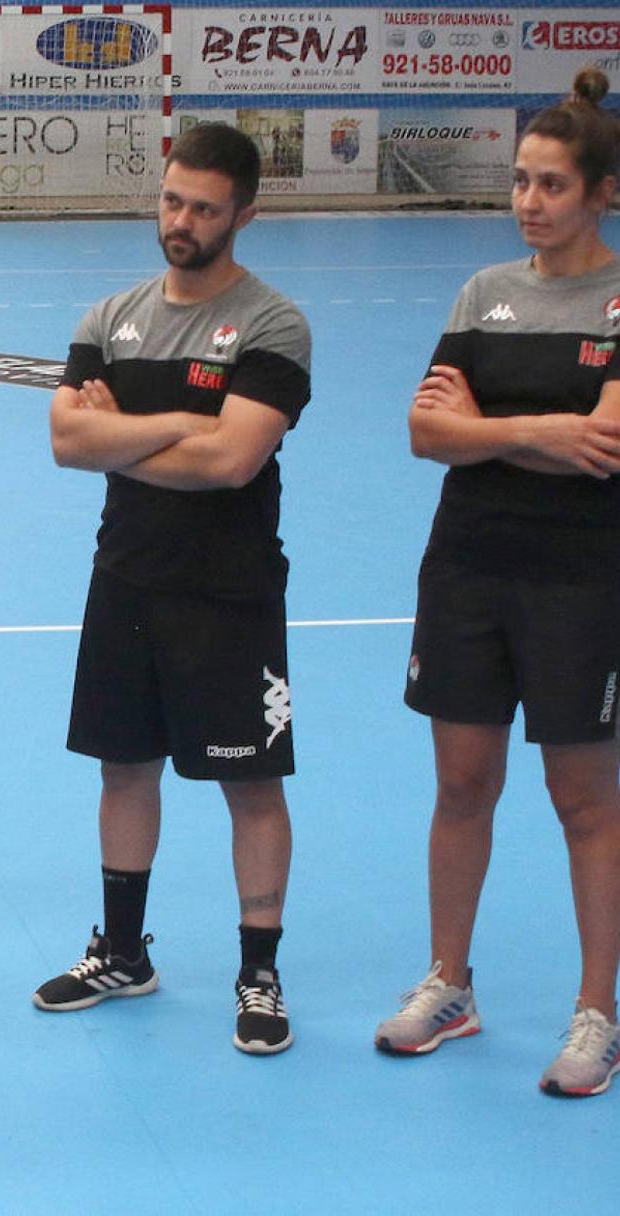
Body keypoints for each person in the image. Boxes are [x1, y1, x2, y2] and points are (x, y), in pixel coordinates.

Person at [37, 122, 313, 1056]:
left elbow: (234, 462)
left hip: (229, 592)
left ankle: (259, 972)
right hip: (126, 582)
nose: (182, 220)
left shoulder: (274, 324)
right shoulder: (106, 317)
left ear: (243, 211)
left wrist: (130, 430)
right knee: (125, 769)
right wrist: (182, 427)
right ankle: (122, 952)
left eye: (203, 206)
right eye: (171, 200)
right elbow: (67, 442)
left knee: (251, 784)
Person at [374, 68, 620, 1098]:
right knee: (462, 784)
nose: (529, 201)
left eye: (553, 184)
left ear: (601, 193)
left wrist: (488, 431)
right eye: (521, 181)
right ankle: (451, 984)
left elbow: (607, 450)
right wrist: (540, 431)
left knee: (583, 801)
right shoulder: (483, 294)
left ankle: (597, 1013)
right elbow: (427, 430)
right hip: (468, 567)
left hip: (582, 579)